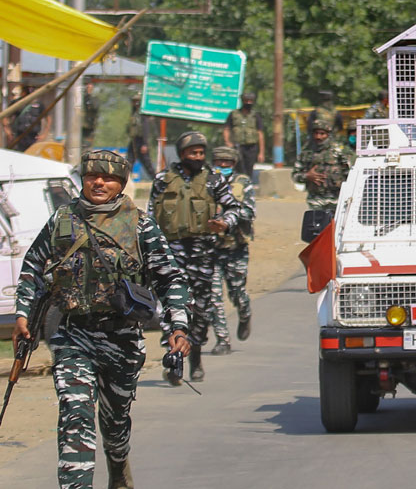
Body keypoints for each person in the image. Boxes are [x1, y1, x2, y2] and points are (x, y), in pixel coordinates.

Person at [13, 150, 192, 488]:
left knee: (115, 422)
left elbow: (170, 277)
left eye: (108, 178)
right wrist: (23, 313)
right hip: (71, 334)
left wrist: (177, 325)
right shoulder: (61, 220)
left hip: (122, 338)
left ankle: (118, 462)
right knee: (75, 414)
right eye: (93, 176)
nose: (99, 182)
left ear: (120, 184)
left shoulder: (141, 224)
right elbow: (33, 268)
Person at [147, 132, 248, 381]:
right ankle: (174, 362)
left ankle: (196, 355)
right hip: (171, 255)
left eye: (202, 153)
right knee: (171, 308)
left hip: (203, 254)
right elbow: (150, 216)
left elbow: (236, 207)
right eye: (193, 153)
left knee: (201, 311)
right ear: (182, 155)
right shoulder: (162, 179)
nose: (198, 157)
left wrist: (225, 223)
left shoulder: (213, 180)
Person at [208, 147, 256, 355]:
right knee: (213, 295)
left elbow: (249, 211)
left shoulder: (243, 183)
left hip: (236, 246)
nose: (223, 166)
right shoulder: (205, 182)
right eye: (219, 162)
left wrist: (228, 216)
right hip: (211, 248)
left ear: (234, 164)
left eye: (227, 162)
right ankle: (222, 339)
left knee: (237, 292)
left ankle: (244, 313)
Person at [292, 119, 351, 213]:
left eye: (322, 133)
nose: (318, 137)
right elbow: (295, 176)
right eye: (316, 133)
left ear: (328, 134)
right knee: (317, 225)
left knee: (334, 226)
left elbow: (350, 174)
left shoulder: (339, 151)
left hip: (337, 198)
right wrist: (307, 176)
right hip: (315, 199)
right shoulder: (306, 152)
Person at [223, 91, 265, 177]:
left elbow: (260, 134)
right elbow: (226, 129)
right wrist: (228, 143)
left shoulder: (255, 115)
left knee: (249, 170)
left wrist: (261, 153)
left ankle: (247, 186)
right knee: (237, 169)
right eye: (246, 100)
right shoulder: (234, 114)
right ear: (243, 101)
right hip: (237, 147)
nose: (248, 103)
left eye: (250, 101)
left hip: (251, 148)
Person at [126, 93, 157, 180]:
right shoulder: (134, 113)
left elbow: (145, 129)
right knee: (129, 160)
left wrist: (145, 144)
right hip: (134, 140)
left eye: (137, 101)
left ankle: (155, 180)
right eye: (134, 101)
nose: (135, 103)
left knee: (147, 162)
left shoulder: (143, 114)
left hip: (141, 140)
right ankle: (126, 180)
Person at [11, 85, 50, 152]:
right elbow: (5, 117)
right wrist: (9, 133)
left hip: (33, 137)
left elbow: (48, 119)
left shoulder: (39, 104)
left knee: (32, 155)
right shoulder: (16, 103)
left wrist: (44, 134)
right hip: (19, 136)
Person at [82, 82, 99, 148]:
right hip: (80, 124)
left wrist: (89, 97)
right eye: (87, 87)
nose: (88, 89)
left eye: (90, 88)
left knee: (87, 144)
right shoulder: (82, 98)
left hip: (89, 125)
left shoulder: (94, 99)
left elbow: (95, 107)